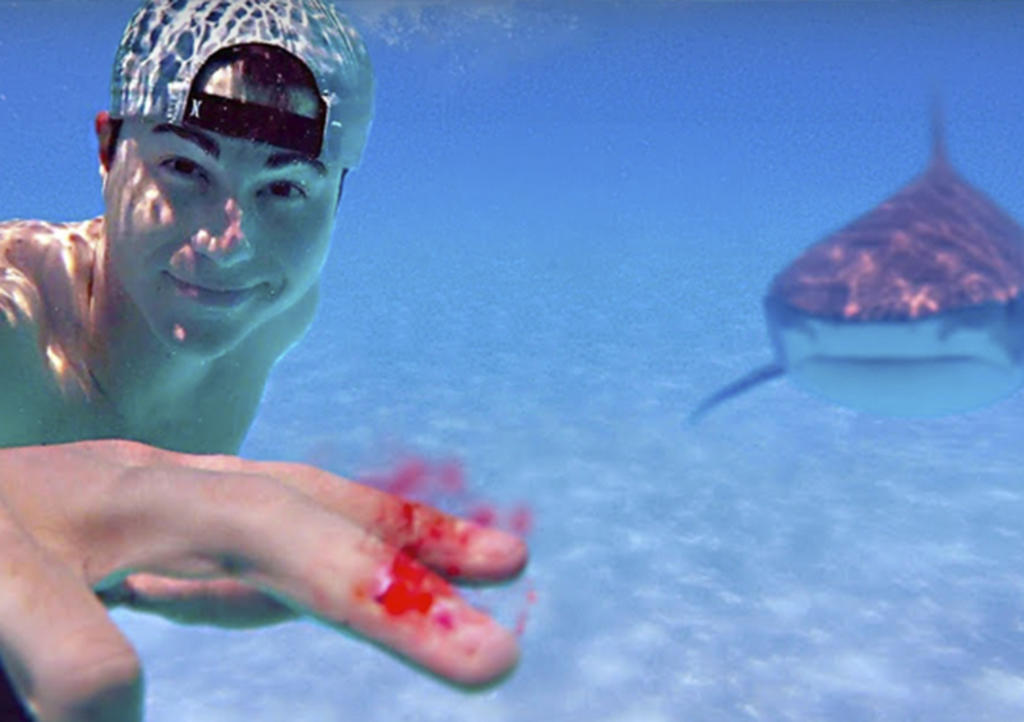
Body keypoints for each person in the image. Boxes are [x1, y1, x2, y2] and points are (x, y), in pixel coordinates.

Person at [0, 1, 528, 719]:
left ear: (338, 200)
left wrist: (132, 580)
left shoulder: (269, 311)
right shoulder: (17, 315)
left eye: (283, 188)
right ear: (107, 151)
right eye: (184, 167)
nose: (229, 245)